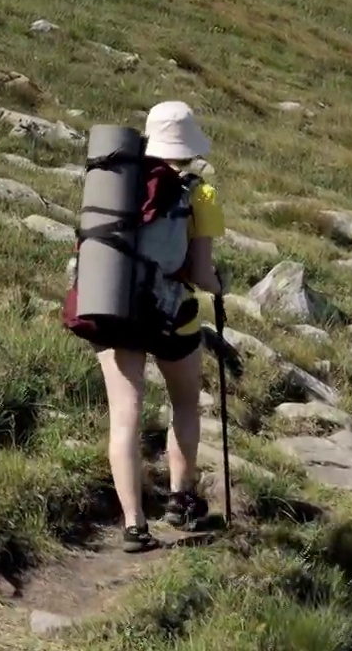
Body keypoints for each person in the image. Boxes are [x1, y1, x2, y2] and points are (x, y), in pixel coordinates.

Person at [96, 100, 227, 553]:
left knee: (125, 415)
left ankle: (134, 525)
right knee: (185, 405)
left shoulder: (115, 183)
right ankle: (180, 499)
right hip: (174, 315)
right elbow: (201, 273)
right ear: (189, 146)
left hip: (114, 305)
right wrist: (219, 284)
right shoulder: (200, 193)